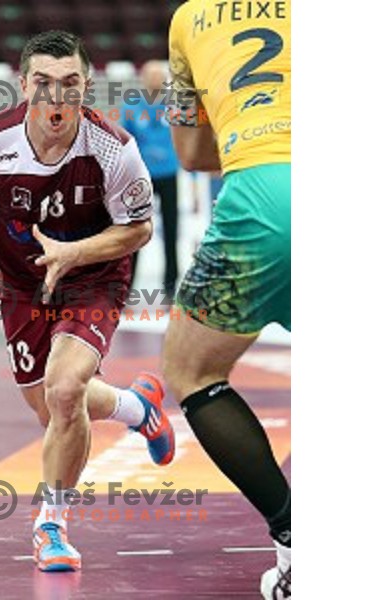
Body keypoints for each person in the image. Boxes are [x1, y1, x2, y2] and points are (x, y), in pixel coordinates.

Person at [0, 30, 175, 572]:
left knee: (66, 391)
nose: (56, 99)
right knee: (50, 410)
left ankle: (50, 526)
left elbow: (137, 229)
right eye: (43, 84)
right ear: (23, 86)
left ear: (86, 88)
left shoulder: (114, 148)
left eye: (70, 85)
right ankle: (138, 408)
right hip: (20, 284)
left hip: (93, 277)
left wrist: (75, 251)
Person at [164, 2, 291, 598]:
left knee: (192, 370)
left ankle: (296, 541)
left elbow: (190, 154)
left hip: (261, 196)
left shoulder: (190, 19)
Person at [121, 60, 180, 300]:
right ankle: (127, 284)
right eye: (151, 76)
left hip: (169, 173)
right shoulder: (132, 105)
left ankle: (170, 283)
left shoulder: (174, 105)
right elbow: (125, 141)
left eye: (159, 76)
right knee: (135, 231)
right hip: (142, 177)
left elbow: (184, 137)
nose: (155, 81)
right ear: (143, 79)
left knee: (172, 229)